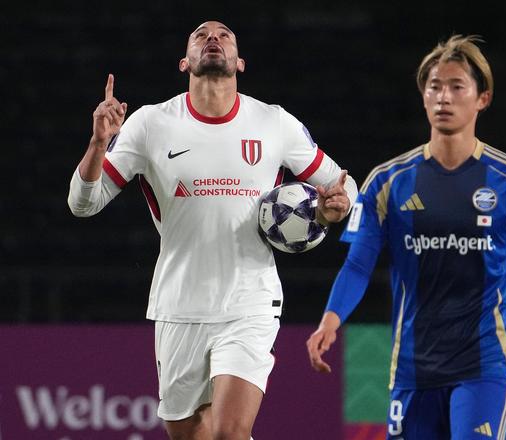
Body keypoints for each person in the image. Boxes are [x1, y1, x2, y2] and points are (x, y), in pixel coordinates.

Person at [67, 20, 357, 440]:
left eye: (224, 35)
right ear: (184, 62)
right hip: (178, 305)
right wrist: (98, 144)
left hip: (250, 302)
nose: (213, 39)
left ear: (240, 62)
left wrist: (334, 210)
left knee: (228, 432)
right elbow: (82, 203)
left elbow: (343, 186)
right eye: (201, 35)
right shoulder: (149, 123)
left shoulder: (273, 122)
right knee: (189, 434)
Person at [306, 35, 506, 440]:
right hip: (413, 367)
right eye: (434, 86)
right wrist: (330, 320)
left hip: (486, 362)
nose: (444, 97)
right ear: (423, 96)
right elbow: (359, 264)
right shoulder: (386, 181)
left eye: (456, 87)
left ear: (482, 98)